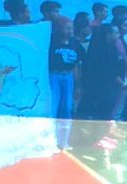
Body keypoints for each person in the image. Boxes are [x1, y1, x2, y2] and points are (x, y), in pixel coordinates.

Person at [49, 16, 81, 149]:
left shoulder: (74, 44)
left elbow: (76, 65)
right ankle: (51, 139)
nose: (71, 31)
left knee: (66, 108)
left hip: (68, 76)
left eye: (71, 28)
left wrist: (78, 85)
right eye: (67, 28)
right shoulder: (51, 42)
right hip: (54, 75)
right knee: (53, 108)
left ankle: (64, 141)